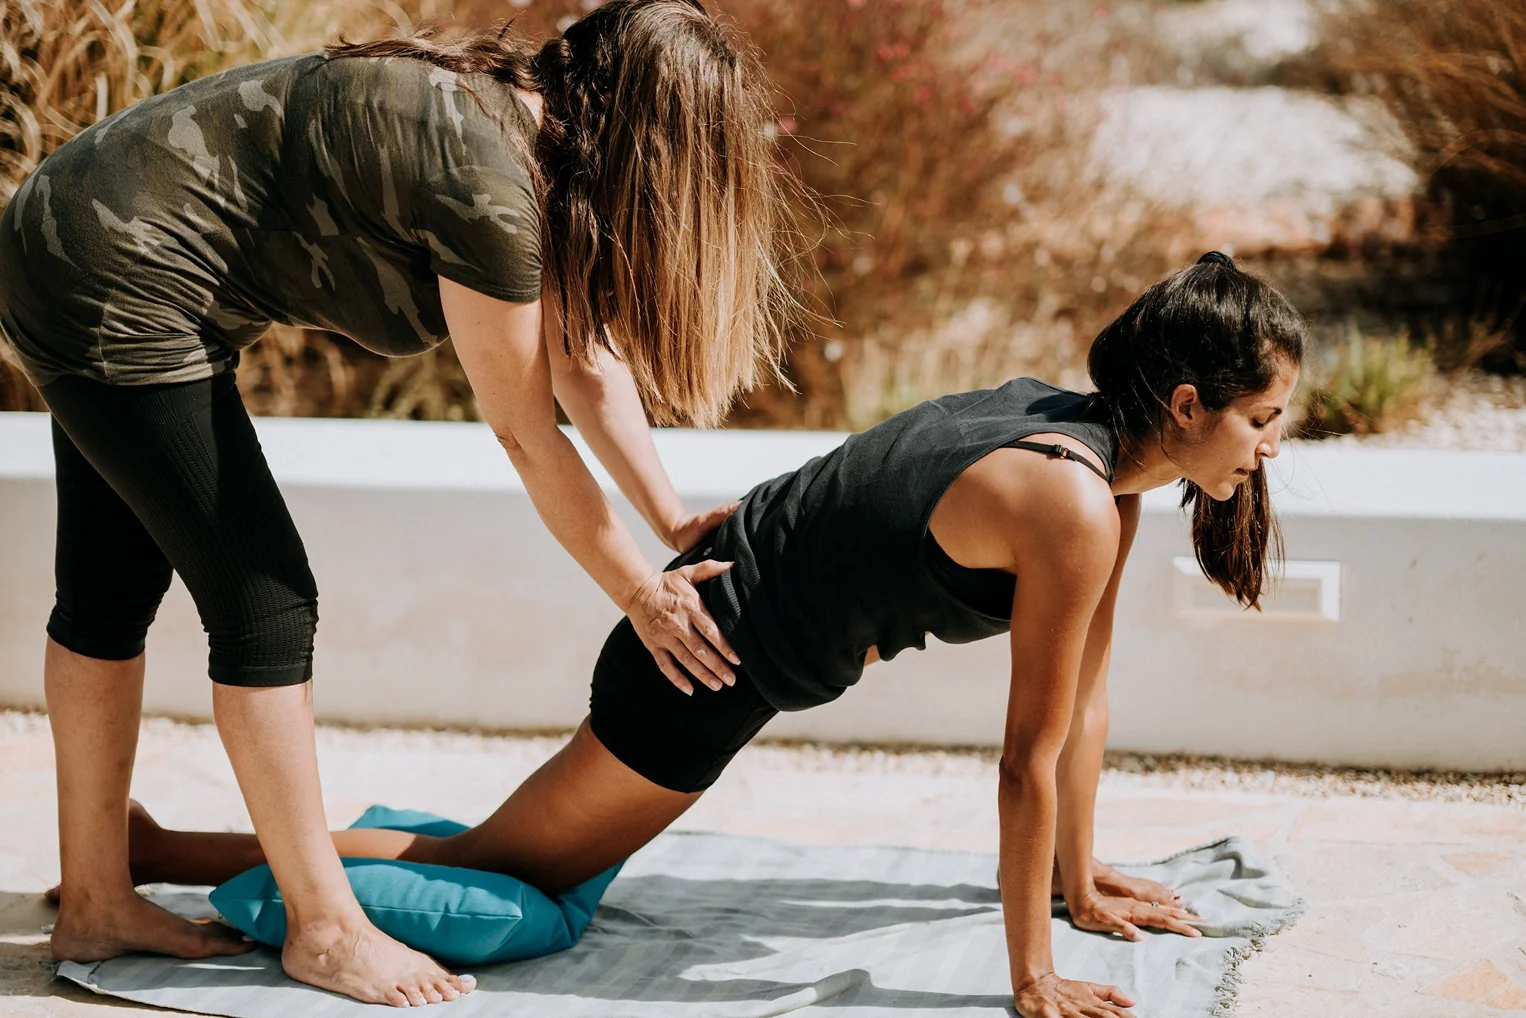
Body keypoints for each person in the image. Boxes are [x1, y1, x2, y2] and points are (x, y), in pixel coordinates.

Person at [106, 253, 1306, 1017]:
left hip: (720, 628)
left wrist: (1076, 882)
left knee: (504, 850)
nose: (1267, 446)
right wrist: (1031, 975)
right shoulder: (1071, 503)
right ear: (1184, 404)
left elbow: (1082, 704)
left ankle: (166, 843)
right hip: (700, 661)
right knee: (504, 869)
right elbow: (1022, 761)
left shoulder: (1095, 467)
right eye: (1260, 417)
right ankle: (167, 851)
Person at [0, 0, 800, 1006]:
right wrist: (642, 594)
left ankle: (96, 899)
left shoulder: (529, 138)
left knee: (109, 591)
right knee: (264, 603)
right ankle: (326, 928)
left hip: (77, 233)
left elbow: (583, 364)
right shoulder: (490, 185)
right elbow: (526, 433)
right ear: (651, 140)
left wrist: (671, 520)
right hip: (113, 267)